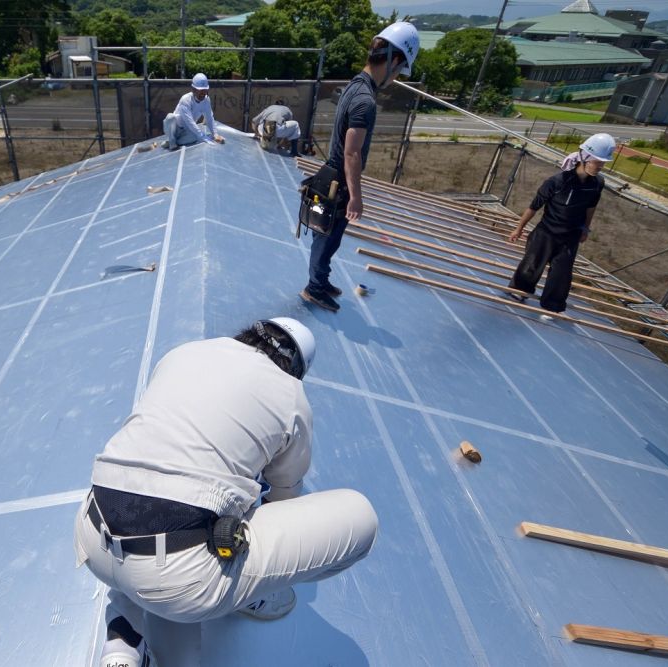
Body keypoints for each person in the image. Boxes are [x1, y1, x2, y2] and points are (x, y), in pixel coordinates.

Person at [74, 318, 379, 667]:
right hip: (176, 578)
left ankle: (122, 646)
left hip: (92, 530)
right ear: (297, 368)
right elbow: (282, 500)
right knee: (361, 515)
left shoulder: (184, 353)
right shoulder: (291, 393)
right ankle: (251, 595)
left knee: (145, 510)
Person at [301, 22, 419, 313]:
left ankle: (321, 280)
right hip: (339, 181)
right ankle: (314, 289)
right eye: (400, 68)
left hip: (332, 174)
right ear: (393, 60)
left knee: (328, 236)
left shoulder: (355, 84)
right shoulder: (365, 100)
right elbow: (352, 152)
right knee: (326, 240)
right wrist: (356, 196)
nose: (396, 77)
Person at [506, 132, 616, 316]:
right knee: (532, 264)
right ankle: (519, 291)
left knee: (561, 274)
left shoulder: (597, 183)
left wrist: (585, 228)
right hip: (546, 232)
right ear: (585, 157)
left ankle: (552, 305)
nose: (600, 167)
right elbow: (534, 206)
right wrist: (519, 229)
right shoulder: (557, 182)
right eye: (597, 162)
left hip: (570, 236)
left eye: (603, 163)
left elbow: (591, 207)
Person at [162, 72, 224, 150]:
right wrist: (204, 138)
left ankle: (174, 141)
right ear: (193, 89)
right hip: (174, 129)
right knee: (170, 117)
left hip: (187, 131)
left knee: (195, 137)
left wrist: (215, 135)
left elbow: (209, 118)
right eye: (200, 90)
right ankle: (171, 141)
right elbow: (190, 122)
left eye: (205, 90)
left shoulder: (206, 100)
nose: (203, 93)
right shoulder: (185, 99)